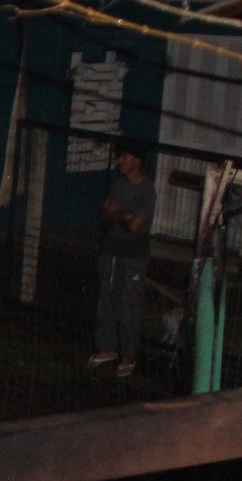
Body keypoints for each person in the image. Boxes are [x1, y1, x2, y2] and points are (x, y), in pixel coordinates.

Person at [90, 141, 155, 377]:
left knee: (129, 303)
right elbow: (104, 212)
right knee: (106, 298)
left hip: (134, 255)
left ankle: (129, 355)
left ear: (136, 161)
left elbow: (135, 225)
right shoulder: (119, 185)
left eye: (124, 157)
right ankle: (107, 347)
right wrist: (122, 216)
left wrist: (117, 215)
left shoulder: (147, 191)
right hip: (111, 250)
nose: (120, 161)